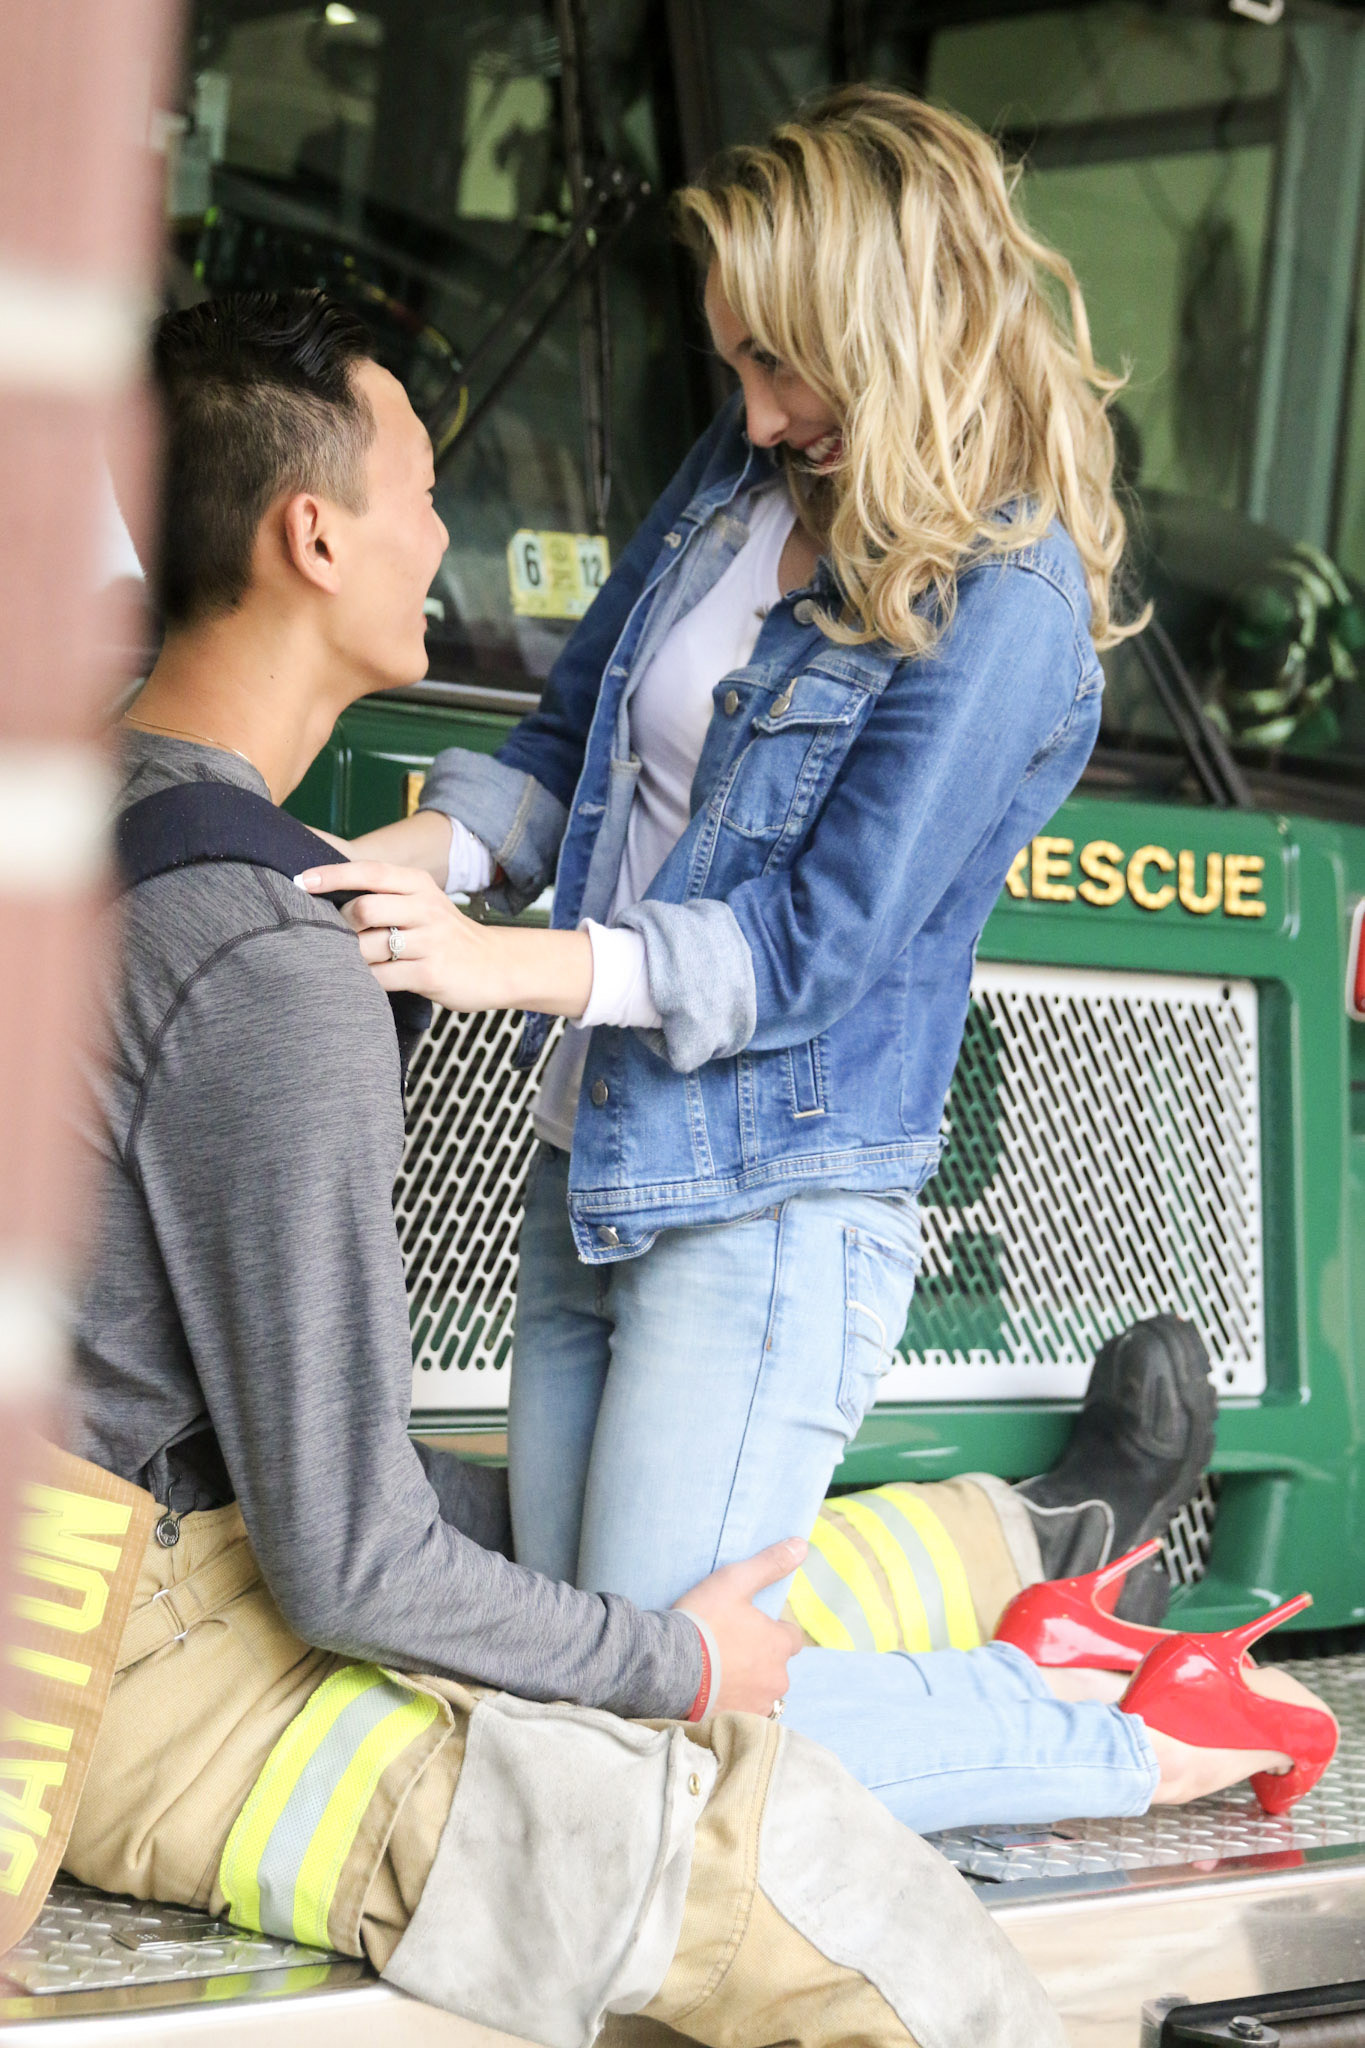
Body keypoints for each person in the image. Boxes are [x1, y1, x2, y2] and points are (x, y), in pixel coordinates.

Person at [60, 288, 1333, 2048]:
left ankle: (1022, 1536)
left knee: (588, 1556)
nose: (448, 534)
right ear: (313, 533)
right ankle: (1116, 1711)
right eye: (429, 490)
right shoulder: (262, 966)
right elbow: (345, 1559)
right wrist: (679, 1666)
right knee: (725, 1780)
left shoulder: (83, 812)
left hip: (167, 1504)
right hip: (132, 1619)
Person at [299, 90, 1203, 1649]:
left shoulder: (1010, 597)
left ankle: (1117, 1736)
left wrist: (501, 959)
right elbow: (574, 740)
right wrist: (383, 860)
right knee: (577, 1683)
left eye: (782, 364)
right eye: (737, 362)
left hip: (766, 1212)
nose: (759, 409)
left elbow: (812, 947)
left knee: (659, 1711)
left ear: (902, 331)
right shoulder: (746, 463)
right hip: (587, 1161)